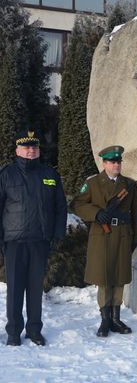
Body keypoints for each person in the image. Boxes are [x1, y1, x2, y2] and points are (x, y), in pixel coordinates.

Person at [0, 130, 67, 346]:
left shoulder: (49, 175)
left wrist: (57, 233)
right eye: (26, 147)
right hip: (15, 242)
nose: (31, 151)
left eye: (34, 147)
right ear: (17, 150)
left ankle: (34, 330)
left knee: (35, 289)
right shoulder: (6, 175)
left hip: (40, 241)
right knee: (15, 289)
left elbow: (60, 207)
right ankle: (13, 332)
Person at [71, 145, 137, 337]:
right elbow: (77, 204)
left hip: (122, 235)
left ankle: (116, 318)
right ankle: (105, 319)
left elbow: (136, 211)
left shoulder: (128, 184)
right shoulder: (93, 183)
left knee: (119, 277)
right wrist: (96, 213)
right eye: (112, 162)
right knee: (104, 278)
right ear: (104, 163)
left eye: (119, 161)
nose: (117, 164)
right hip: (101, 236)